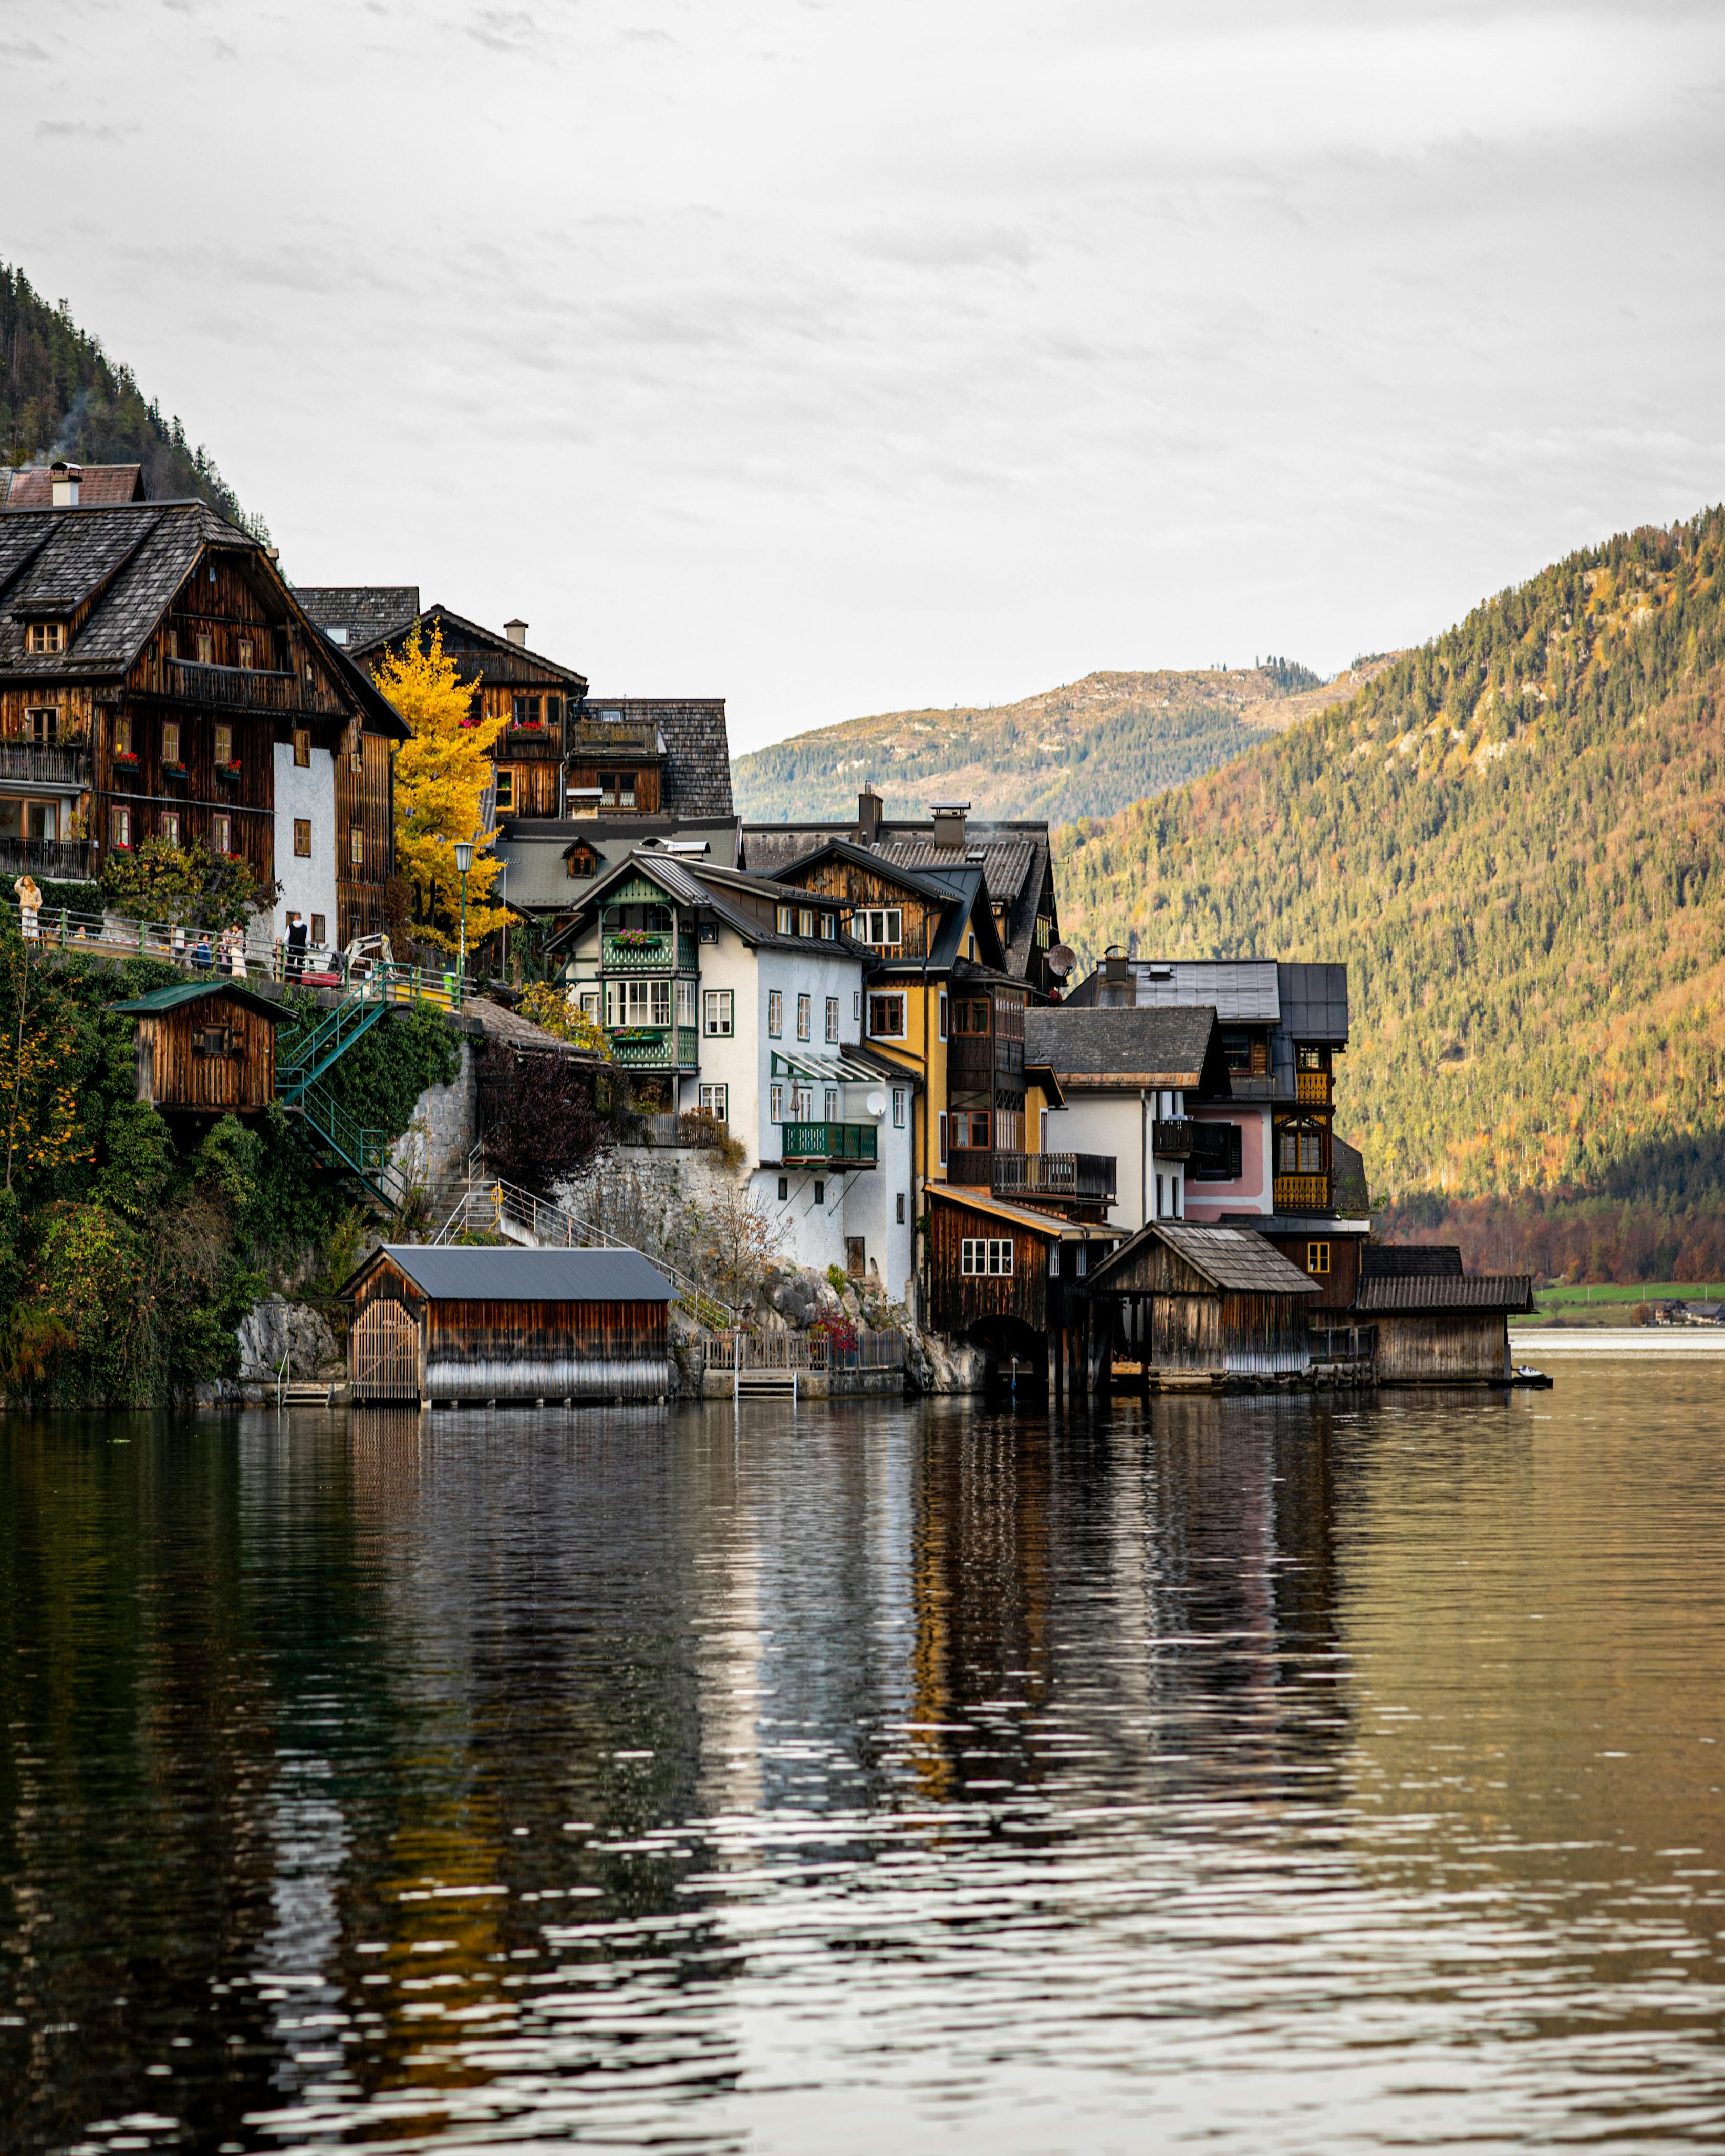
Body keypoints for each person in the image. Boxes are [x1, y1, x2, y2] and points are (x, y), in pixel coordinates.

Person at [15, 874, 41, 943]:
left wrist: (36, 905)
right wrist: (20, 880)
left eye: (25, 881)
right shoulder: (23, 890)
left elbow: (40, 900)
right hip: (25, 910)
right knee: (25, 928)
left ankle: (34, 942)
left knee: (33, 927)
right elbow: (17, 887)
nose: (24, 883)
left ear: (29, 881)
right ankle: (25, 942)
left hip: (34, 910)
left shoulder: (37, 890)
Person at [285, 910, 308, 983]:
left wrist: (289, 946)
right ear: (300, 918)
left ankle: (289, 981)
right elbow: (309, 939)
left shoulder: (290, 927)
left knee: (290, 965)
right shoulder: (305, 927)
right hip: (301, 950)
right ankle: (298, 982)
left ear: (295, 918)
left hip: (292, 949)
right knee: (300, 966)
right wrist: (304, 946)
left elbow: (286, 939)